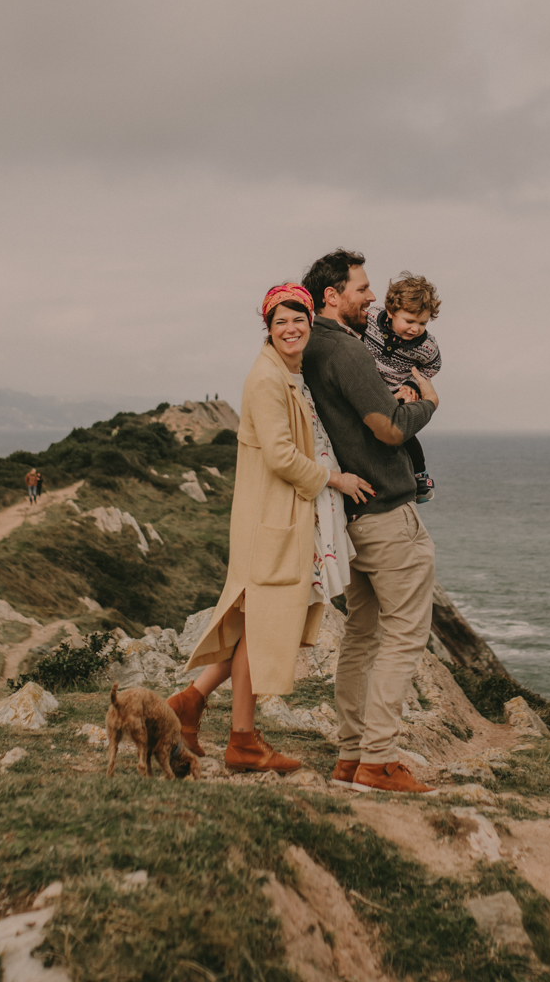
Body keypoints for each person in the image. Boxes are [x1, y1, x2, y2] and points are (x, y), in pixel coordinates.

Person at [171, 284, 374, 773]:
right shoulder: (266, 379)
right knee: (261, 630)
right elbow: (283, 457)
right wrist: (336, 479)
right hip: (272, 523)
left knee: (252, 630)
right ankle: (239, 738)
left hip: (274, 521)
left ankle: (192, 705)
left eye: (298, 319)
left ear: (310, 320)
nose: (291, 328)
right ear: (268, 326)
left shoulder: (287, 373)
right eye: (280, 321)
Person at [299, 248, 441, 794]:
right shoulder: (349, 352)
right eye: (361, 288)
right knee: (405, 633)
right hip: (385, 513)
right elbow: (387, 427)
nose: (371, 297)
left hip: (349, 515)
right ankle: (378, 760)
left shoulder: (310, 349)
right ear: (332, 294)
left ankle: (351, 754)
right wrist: (428, 403)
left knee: (361, 634)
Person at [362, 272, 443, 503]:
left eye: (422, 323)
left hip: (398, 390)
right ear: (390, 311)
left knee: (402, 432)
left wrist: (411, 383)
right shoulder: (370, 318)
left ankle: (420, 476)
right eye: (409, 321)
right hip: (368, 384)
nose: (415, 328)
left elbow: (433, 365)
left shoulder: (427, 346)